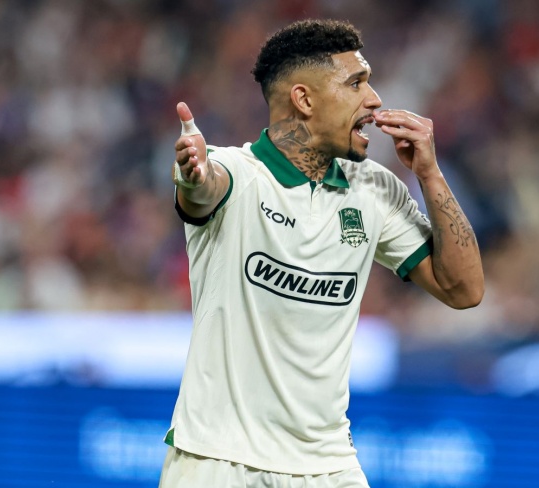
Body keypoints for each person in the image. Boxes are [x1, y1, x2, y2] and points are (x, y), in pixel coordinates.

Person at [159, 18, 484, 488]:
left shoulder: (374, 190)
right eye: (356, 83)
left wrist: (430, 175)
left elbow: (464, 289)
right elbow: (204, 189)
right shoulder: (237, 172)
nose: (374, 99)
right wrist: (194, 174)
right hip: (217, 457)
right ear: (304, 99)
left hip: (327, 464)